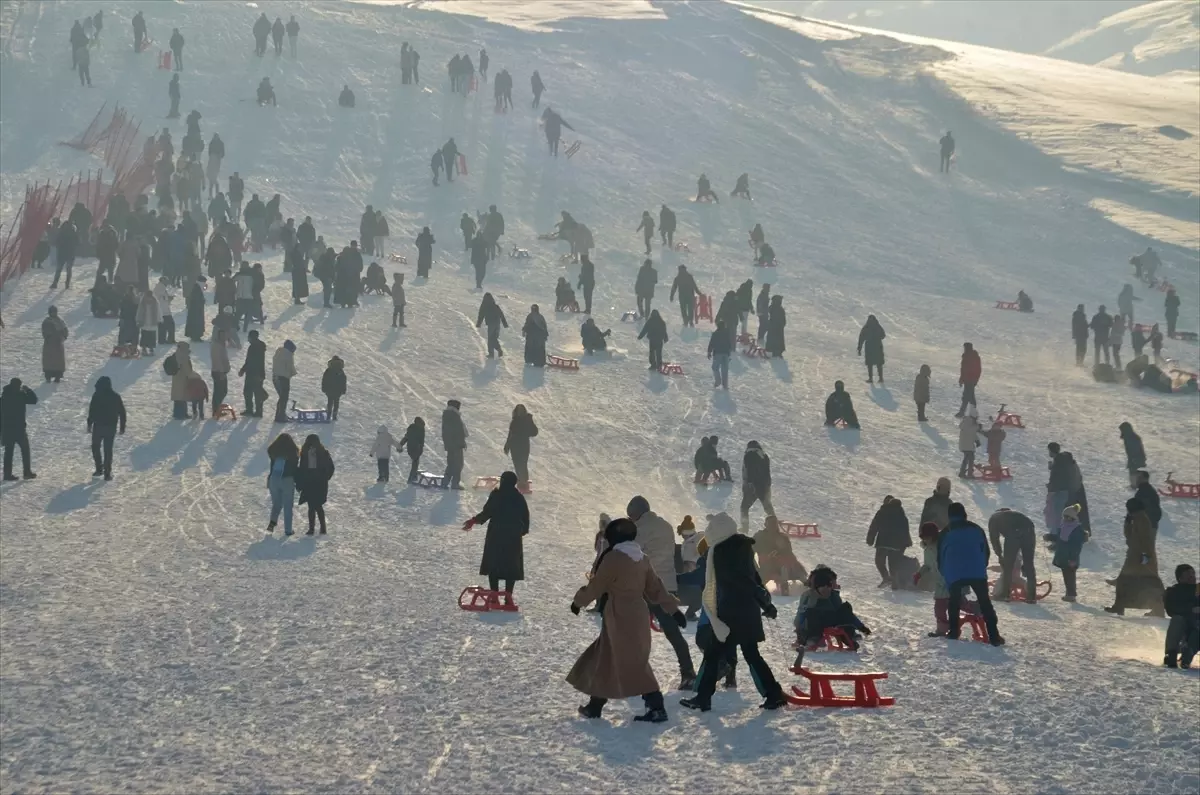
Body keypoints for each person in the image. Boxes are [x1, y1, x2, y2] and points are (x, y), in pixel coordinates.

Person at [568, 518, 683, 722]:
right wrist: (673, 610)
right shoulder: (642, 558)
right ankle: (595, 705)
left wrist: (579, 601)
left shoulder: (614, 557)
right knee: (607, 657)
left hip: (619, 613)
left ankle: (656, 706)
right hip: (638, 611)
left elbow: (597, 585)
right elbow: (655, 587)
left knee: (631, 661)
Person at [681, 512, 786, 712]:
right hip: (747, 611)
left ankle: (702, 697)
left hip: (731, 612)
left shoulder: (721, 551)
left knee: (713, 654)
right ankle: (773, 693)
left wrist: (761, 599)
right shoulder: (743, 548)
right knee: (750, 654)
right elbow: (754, 578)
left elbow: (740, 580)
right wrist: (765, 604)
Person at [627, 496, 697, 689]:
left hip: (648, 587)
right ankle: (688, 672)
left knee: (633, 631)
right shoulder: (664, 525)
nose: (630, 518)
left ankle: (633, 673)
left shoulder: (640, 529)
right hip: (668, 584)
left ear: (637, 513)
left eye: (631, 514)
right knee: (672, 632)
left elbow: (633, 553)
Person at [938, 503, 1003, 644]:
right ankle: (994, 636)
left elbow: (940, 556)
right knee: (985, 602)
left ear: (949, 516)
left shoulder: (945, 532)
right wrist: (981, 567)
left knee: (954, 602)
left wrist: (944, 573)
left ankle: (954, 632)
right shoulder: (976, 529)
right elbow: (985, 551)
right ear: (964, 514)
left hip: (954, 572)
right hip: (976, 571)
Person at [463, 470, 530, 605]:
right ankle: (508, 597)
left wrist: (473, 521)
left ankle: (494, 596)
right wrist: (521, 531)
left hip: (496, 535)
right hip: (513, 537)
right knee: (510, 565)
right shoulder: (519, 497)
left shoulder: (497, 495)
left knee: (494, 564)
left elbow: (487, 512)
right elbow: (525, 517)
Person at [791, 566, 871, 666]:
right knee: (811, 612)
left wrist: (861, 627)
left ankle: (850, 636)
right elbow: (801, 615)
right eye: (824, 588)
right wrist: (799, 634)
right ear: (817, 587)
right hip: (815, 623)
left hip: (831, 619)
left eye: (829, 587)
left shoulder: (833, 595)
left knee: (845, 608)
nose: (827, 590)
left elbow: (846, 614)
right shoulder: (809, 596)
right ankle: (813, 638)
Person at [1105, 498, 1163, 616]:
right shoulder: (1137, 518)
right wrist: (1127, 523)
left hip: (1139, 557)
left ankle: (1119, 607)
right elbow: (1130, 536)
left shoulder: (1142, 519)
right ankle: (1157, 609)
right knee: (1149, 582)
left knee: (1130, 582)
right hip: (1135, 556)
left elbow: (1145, 539)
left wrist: (1146, 555)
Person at [914, 522, 976, 635]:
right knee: (939, 608)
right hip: (941, 584)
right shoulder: (927, 549)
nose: (926, 540)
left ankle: (982, 610)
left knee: (961, 605)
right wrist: (919, 574)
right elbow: (928, 565)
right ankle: (942, 630)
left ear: (934, 536)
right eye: (924, 537)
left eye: (928, 537)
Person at [988, 508, 1037, 603]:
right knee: (1029, 564)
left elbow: (994, 539)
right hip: (1029, 528)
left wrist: (999, 555)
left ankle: (1005, 594)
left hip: (1013, 532)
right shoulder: (1012, 515)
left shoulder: (994, 519)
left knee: (1008, 566)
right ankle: (1031, 596)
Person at [754, 515, 806, 596]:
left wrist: (782, 550)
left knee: (790, 564)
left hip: (784, 564)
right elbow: (751, 551)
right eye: (770, 524)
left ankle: (806, 581)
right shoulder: (760, 536)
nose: (773, 526)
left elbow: (789, 551)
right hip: (767, 565)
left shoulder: (782, 536)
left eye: (774, 524)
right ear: (765, 525)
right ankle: (784, 583)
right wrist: (756, 566)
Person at [866, 495, 911, 588]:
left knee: (879, 562)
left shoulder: (882, 512)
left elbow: (874, 525)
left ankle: (886, 578)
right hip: (896, 545)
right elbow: (905, 529)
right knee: (893, 564)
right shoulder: (901, 515)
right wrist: (907, 542)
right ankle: (894, 582)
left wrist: (870, 539)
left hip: (882, 542)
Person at [294, 434, 334, 535]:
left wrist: (300, 482)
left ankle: (312, 529)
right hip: (320, 483)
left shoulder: (306, 453)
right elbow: (331, 467)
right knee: (317, 505)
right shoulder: (323, 453)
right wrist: (325, 477)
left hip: (309, 483)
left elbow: (303, 469)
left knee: (312, 506)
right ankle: (322, 528)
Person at [0, 378, 38, 480]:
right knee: (25, 451)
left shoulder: (4, 397)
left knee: (8, 453)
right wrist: (28, 390)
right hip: (19, 429)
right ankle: (27, 472)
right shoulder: (20, 395)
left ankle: (7, 475)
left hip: (8, 429)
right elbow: (34, 400)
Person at [1163, 565, 1199, 669]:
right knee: (1177, 620)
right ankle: (1171, 653)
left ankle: (1186, 657)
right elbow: (1171, 609)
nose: (1192, 576)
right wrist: (1191, 610)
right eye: (1188, 574)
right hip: (1184, 625)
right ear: (1180, 578)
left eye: (1193, 573)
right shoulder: (1174, 591)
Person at [1049, 504, 1085, 603]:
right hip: (1064, 556)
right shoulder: (1063, 526)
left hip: (1070, 558)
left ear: (1072, 517)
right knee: (1066, 576)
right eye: (1064, 516)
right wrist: (1050, 537)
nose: (1064, 518)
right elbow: (1060, 539)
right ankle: (1069, 593)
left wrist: (1073, 558)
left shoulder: (1076, 530)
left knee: (1070, 576)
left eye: (1066, 517)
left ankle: (1071, 595)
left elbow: (1076, 546)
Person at [265, 434, 299, 535]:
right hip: (287, 480)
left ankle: (272, 523)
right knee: (288, 506)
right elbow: (294, 469)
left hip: (273, 479)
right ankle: (288, 530)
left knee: (276, 504)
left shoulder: (273, 452)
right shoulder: (293, 453)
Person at [739, 441, 774, 530]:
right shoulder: (764, 456)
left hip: (753, 486)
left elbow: (749, 470)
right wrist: (768, 484)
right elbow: (767, 472)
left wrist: (750, 483)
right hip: (764, 486)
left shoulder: (749, 455)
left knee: (744, 507)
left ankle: (745, 527)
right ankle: (775, 525)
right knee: (767, 506)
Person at [504, 404, 538, 487]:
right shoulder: (514, 421)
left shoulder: (527, 420)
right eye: (518, 410)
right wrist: (507, 446)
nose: (519, 412)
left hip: (523, 445)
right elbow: (510, 434)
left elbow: (534, 432)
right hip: (514, 446)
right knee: (516, 463)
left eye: (521, 411)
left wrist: (528, 425)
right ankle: (520, 480)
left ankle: (524, 481)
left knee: (522, 463)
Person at [441, 399, 468, 489]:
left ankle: (445, 482)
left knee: (451, 464)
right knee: (458, 464)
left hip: (451, 445)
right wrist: (461, 443)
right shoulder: (454, 416)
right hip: (456, 445)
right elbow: (458, 431)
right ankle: (455, 483)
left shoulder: (447, 415)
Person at [41, 307, 69, 382]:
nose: (54, 313)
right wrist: (49, 336)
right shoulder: (47, 321)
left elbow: (65, 330)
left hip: (58, 344)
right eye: (52, 312)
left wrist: (63, 336)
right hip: (49, 344)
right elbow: (45, 332)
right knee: (49, 361)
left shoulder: (60, 321)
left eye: (54, 312)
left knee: (58, 361)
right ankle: (48, 376)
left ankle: (58, 376)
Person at [271, 340, 296, 423]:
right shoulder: (288, 354)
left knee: (281, 397)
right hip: (283, 378)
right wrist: (293, 373)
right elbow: (290, 367)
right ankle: (280, 416)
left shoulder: (278, 352)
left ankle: (279, 415)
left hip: (275, 377)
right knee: (284, 398)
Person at [476, 293, 508, 358]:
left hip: (491, 324)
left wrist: (478, 324)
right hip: (497, 324)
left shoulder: (484, 306)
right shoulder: (495, 306)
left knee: (491, 338)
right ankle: (499, 350)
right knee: (494, 338)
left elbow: (481, 315)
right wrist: (505, 324)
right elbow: (501, 314)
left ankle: (492, 353)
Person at [857, 315, 887, 384]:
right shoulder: (878, 326)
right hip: (877, 347)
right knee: (879, 363)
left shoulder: (866, 327)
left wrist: (859, 348)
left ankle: (871, 378)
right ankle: (880, 378)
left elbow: (861, 338)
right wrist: (877, 338)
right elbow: (883, 335)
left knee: (870, 363)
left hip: (869, 347)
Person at [395, 417, 425, 482]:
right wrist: (420, 448)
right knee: (415, 463)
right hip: (416, 448)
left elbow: (406, 437)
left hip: (410, 448)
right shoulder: (421, 429)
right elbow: (421, 440)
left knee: (415, 462)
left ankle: (413, 477)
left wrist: (400, 445)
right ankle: (411, 478)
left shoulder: (412, 428)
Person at [955, 342, 981, 417]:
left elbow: (977, 370)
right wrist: (961, 379)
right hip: (968, 380)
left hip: (970, 380)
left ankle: (963, 412)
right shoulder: (966, 356)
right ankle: (973, 412)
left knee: (966, 396)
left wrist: (975, 380)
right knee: (970, 397)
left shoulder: (973, 357)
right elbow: (963, 370)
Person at [51, 219, 77, 288]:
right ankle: (66, 284)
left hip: (62, 253)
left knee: (59, 269)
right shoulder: (73, 233)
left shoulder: (61, 233)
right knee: (68, 269)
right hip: (69, 253)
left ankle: (55, 283)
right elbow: (78, 243)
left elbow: (56, 242)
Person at [1119, 422, 1146, 488]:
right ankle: (1135, 484)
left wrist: (1134, 458)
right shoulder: (1128, 436)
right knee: (1132, 470)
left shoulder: (1132, 438)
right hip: (1133, 457)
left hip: (1136, 457)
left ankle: (1134, 485)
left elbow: (1136, 449)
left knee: (1132, 470)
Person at [957, 406, 982, 478]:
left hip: (966, 444)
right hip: (967, 445)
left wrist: (977, 440)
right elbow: (970, 430)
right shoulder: (968, 421)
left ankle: (963, 472)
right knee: (970, 459)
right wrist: (977, 427)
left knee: (968, 458)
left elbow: (972, 433)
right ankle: (969, 473)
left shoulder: (969, 421)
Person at [707, 319, 732, 389]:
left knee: (715, 367)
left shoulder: (715, 334)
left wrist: (709, 352)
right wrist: (729, 353)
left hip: (718, 353)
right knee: (725, 369)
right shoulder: (727, 333)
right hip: (726, 354)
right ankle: (725, 385)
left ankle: (718, 381)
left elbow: (711, 343)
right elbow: (729, 344)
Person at [319, 356, 346, 421]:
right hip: (338, 390)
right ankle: (334, 415)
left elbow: (324, 380)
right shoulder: (341, 371)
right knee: (336, 402)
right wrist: (343, 389)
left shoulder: (329, 370)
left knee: (330, 402)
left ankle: (328, 415)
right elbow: (343, 381)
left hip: (329, 389)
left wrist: (324, 388)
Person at [135, 287, 161, 355]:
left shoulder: (155, 302)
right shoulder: (142, 302)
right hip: (144, 322)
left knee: (152, 335)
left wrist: (159, 319)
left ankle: (151, 348)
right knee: (144, 335)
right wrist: (138, 319)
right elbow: (139, 312)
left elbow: (158, 311)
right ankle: (144, 348)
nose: (148, 299)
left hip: (152, 321)